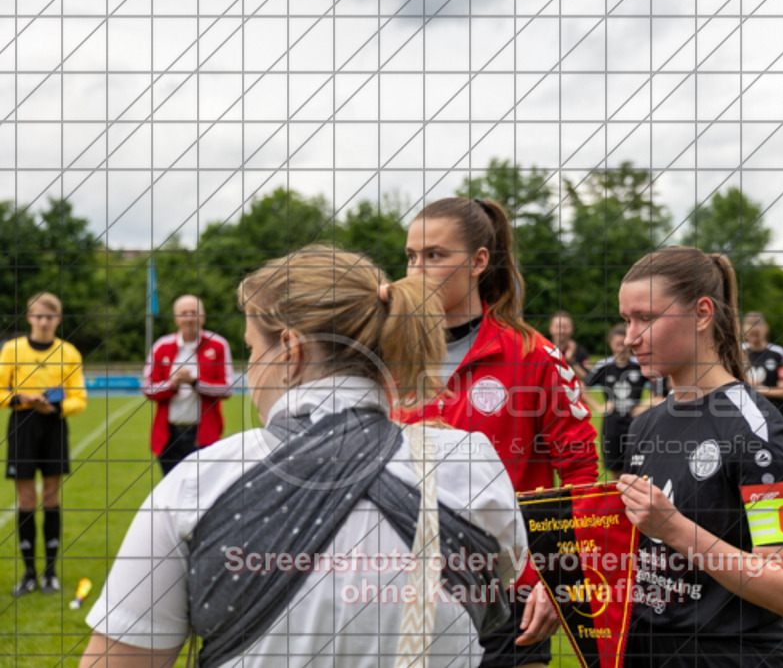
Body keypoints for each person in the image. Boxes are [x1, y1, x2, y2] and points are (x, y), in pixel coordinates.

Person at [81, 245, 527, 666]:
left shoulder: (199, 481)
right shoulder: (471, 468)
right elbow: (495, 592)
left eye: (253, 349)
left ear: (290, 353)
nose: (251, 368)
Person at [402, 197, 599, 668]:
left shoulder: (533, 355)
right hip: (397, 590)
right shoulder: (387, 354)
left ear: (478, 261)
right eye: (410, 256)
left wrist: (558, 580)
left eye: (434, 255)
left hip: (505, 597)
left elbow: (581, 477)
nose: (417, 268)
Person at [614, 246, 783, 667]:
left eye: (647, 318)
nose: (631, 337)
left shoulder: (757, 431)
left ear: (702, 313)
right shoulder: (644, 426)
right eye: (627, 320)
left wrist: (675, 529)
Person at [1, 292, 87, 597]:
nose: (44, 321)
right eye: (38, 316)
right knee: (26, 499)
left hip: (53, 425)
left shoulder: (69, 352)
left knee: (51, 498)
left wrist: (57, 408)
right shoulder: (13, 350)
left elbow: (79, 397)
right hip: (22, 426)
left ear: (58, 320)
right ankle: (28, 574)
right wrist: (19, 398)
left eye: (50, 317)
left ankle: (50, 572)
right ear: (29, 318)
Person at [141, 295, 235, 475]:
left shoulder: (218, 345)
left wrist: (195, 383)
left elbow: (228, 388)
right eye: (184, 313)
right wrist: (173, 383)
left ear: (203, 317)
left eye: (194, 312)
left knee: (203, 493)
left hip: (204, 434)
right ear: (176, 318)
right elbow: (148, 388)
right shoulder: (161, 347)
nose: (190, 318)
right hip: (169, 435)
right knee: (172, 495)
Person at [585, 324, 646, 479]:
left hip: (635, 425)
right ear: (610, 343)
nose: (622, 348)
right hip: (612, 426)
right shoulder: (604, 366)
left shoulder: (640, 365)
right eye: (618, 344)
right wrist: (598, 406)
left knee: (638, 470)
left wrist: (647, 404)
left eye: (625, 344)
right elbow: (581, 387)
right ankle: (618, 502)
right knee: (616, 472)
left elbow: (661, 386)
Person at [742, 312, 783, 414]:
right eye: (750, 334)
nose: (754, 338)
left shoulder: (778, 353)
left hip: (771, 411)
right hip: (745, 411)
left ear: (765, 329)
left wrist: (757, 389)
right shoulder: (738, 351)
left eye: (756, 334)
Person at [549, 310, 591, 381]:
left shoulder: (580, 351)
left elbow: (587, 379)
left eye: (565, 327)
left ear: (572, 329)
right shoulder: (543, 350)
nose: (561, 331)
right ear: (551, 329)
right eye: (558, 327)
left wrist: (571, 361)